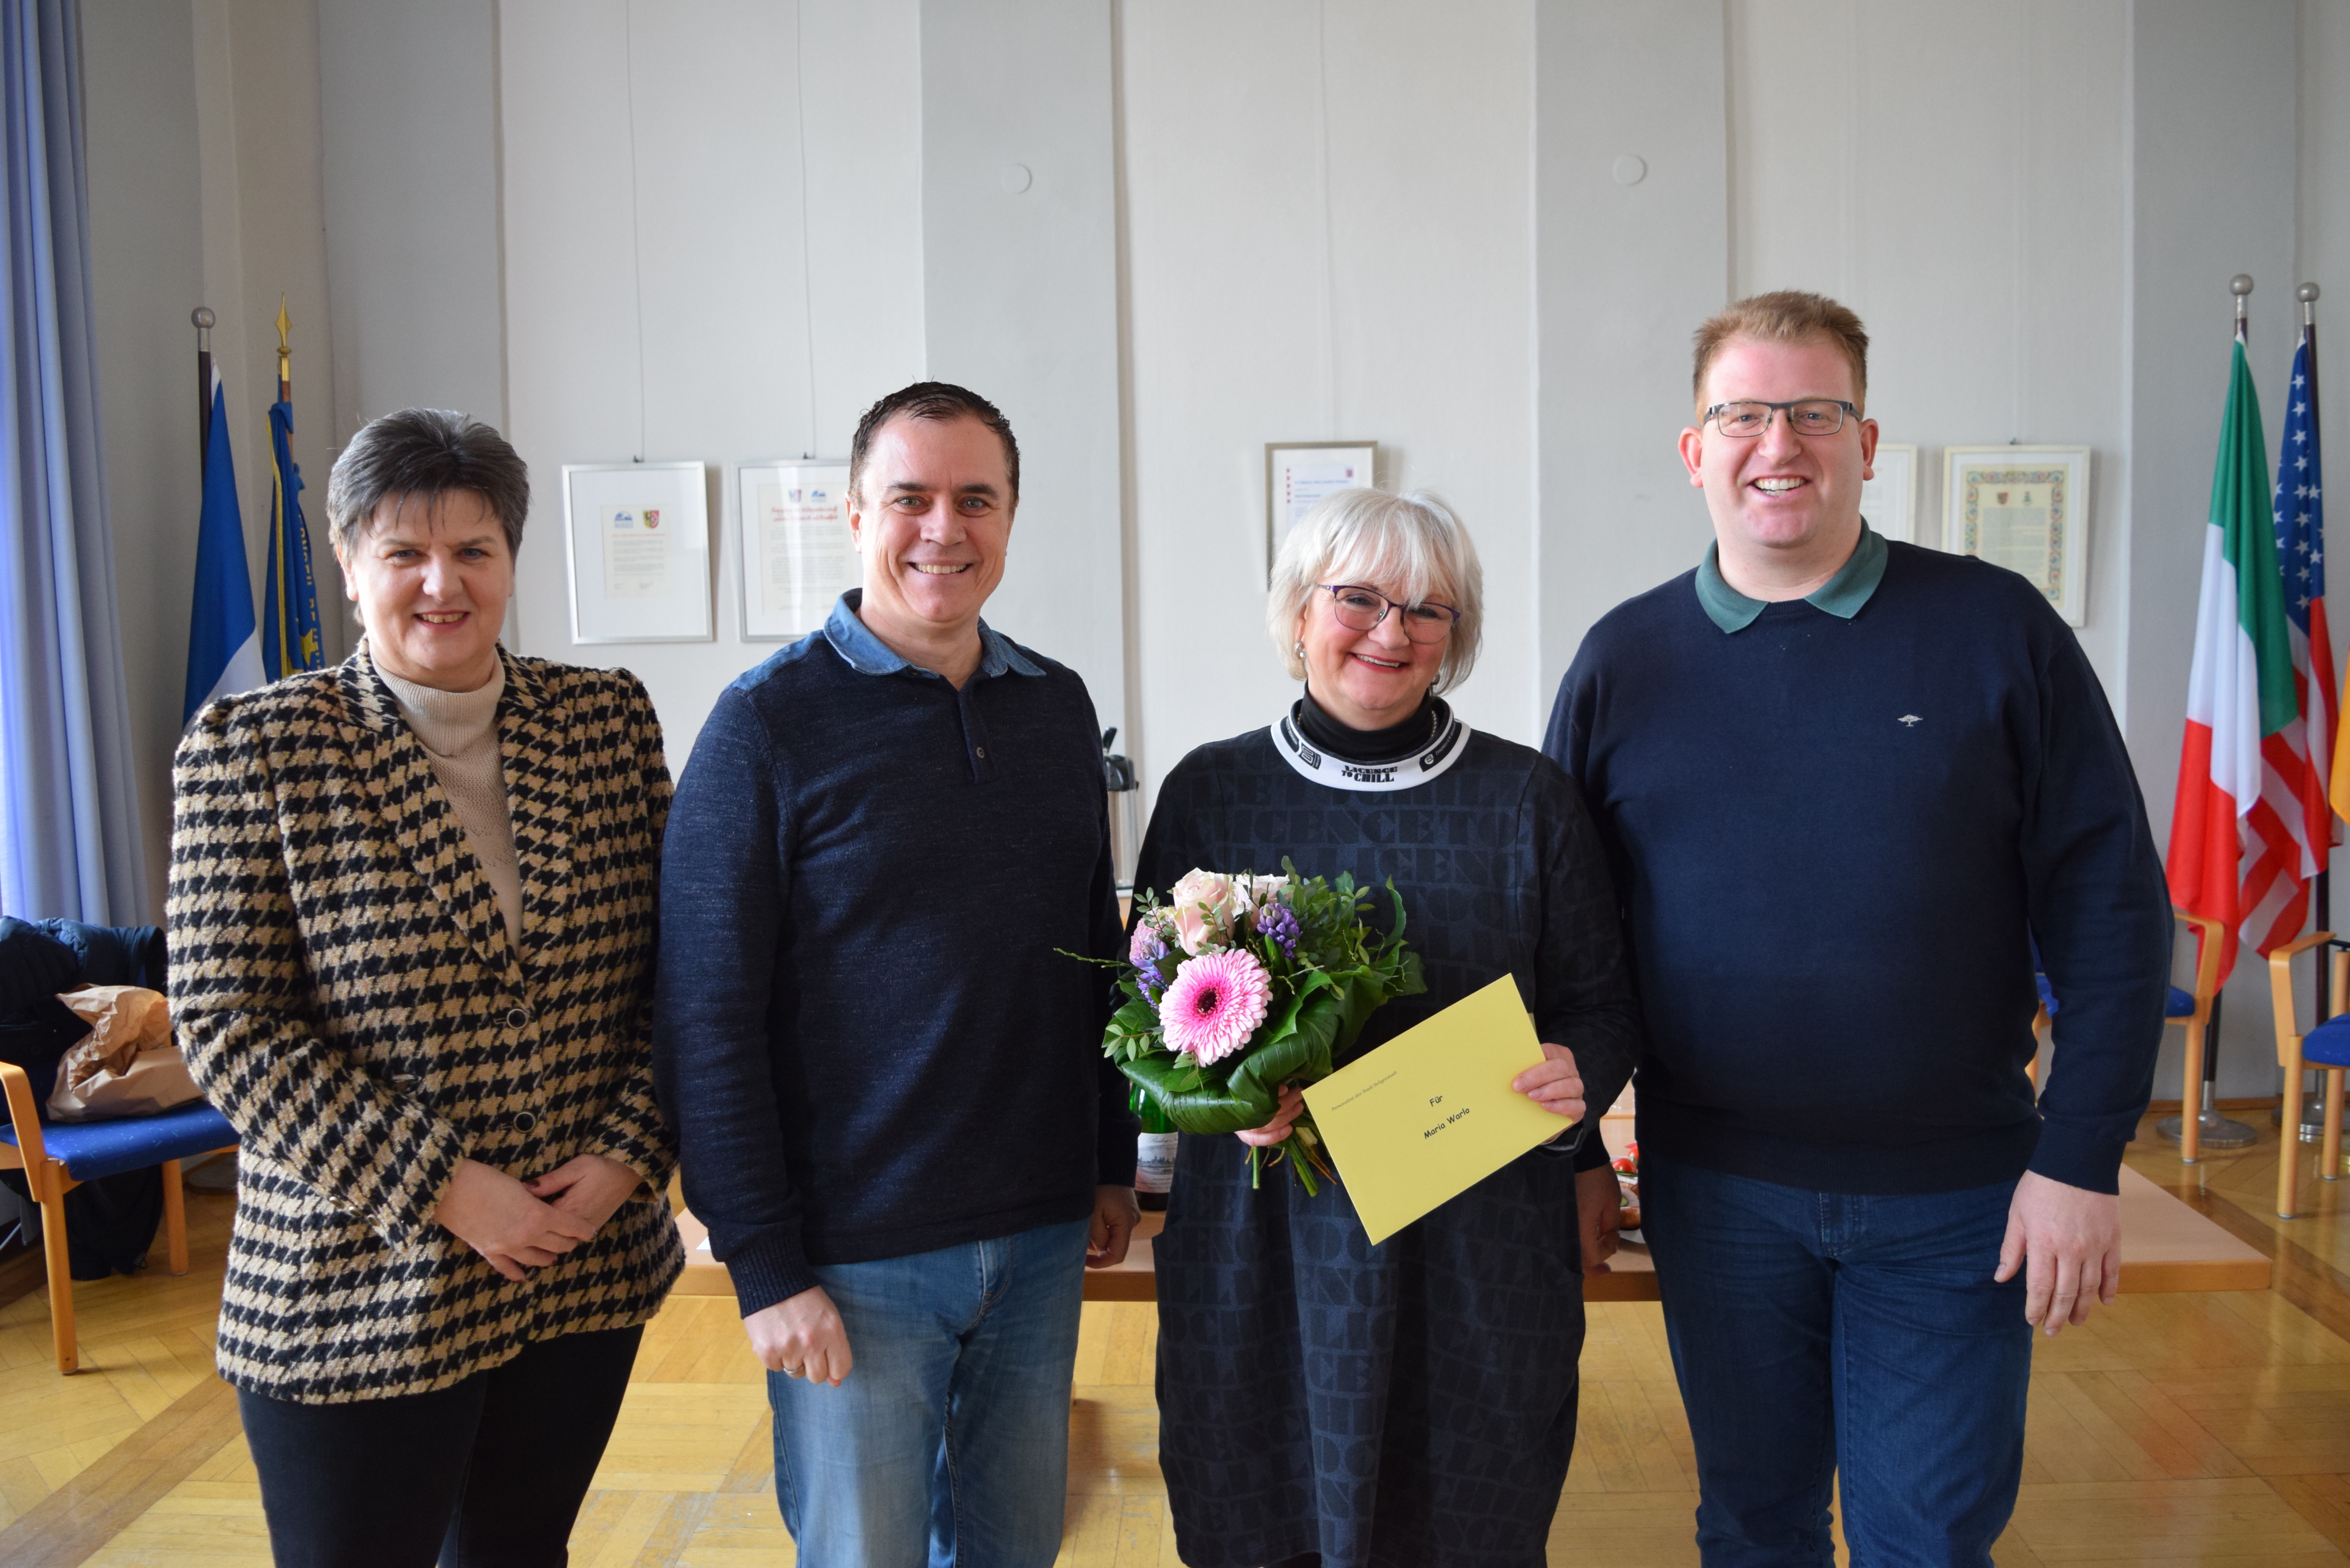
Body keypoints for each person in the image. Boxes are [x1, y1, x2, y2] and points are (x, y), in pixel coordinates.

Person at [1547, 290, 2170, 1564]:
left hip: (1958, 1198)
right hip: (1715, 1192)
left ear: (1868, 442)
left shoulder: (1999, 632)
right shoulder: (1623, 662)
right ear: (1693, 450)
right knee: (1755, 1525)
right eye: (1743, 414)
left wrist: (2081, 1157)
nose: (1779, 443)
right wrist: (1562, 1162)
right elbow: (1569, 947)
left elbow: (2111, 908)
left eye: (1814, 412)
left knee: (1924, 1541)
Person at [168, 409, 683, 1568]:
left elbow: (685, 972)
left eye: (475, 550)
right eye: (404, 553)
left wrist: (626, 1159)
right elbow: (227, 1027)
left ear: (510, 561)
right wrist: (447, 1188)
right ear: (350, 566)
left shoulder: (604, 721)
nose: (441, 583)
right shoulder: (254, 748)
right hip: (357, 1285)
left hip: (579, 1263)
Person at [653, 382, 1139, 1568]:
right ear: (855, 517)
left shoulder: (1057, 708)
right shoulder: (763, 726)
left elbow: (1095, 952)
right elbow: (703, 1016)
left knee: (1013, 1550)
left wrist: (1110, 1162)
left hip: (1036, 1237)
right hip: (852, 1257)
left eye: (976, 499)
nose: (943, 529)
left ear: (1012, 519)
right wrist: (763, 1267)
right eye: (910, 498)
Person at [1138, 487, 1641, 1568]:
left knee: (1462, 1524)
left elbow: (1602, 1003)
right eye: (1357, 597)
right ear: (1296, 610)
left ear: (1456, 636)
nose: (1390, 631)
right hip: (1262, 1242)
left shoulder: (1527, 799)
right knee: (1255, 1514)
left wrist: (1575, 1077)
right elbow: (1147, 1016)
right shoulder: (1210, 792)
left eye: (1427, 609)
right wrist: (1223, 1100)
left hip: (1477, 1239)